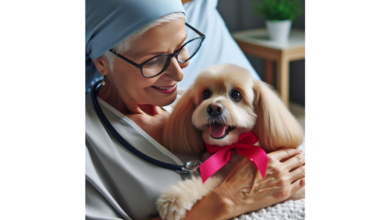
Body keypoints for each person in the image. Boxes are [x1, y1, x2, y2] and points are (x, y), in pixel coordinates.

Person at [85, 0, 305, 220]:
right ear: (102, 62)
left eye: (181, 48)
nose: (179, 74)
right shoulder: (88, 142)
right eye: (154, 60)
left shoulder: (193, 101)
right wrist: (228, 199)